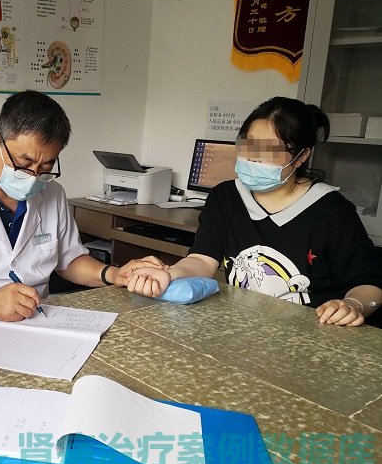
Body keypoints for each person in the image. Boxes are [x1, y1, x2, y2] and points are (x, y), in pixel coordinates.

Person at [0, 90, 160, 321]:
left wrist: (114, 274)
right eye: (24, 163)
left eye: (45, 167)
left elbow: (69, 259)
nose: (33, 177)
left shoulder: (52, 193)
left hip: (33, 322)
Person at [125, 97, 382, 327]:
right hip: (244, 329)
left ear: (302, 156)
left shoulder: (331, 209)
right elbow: (202, 260)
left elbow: (369, 284)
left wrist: (353, 305)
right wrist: (169, 274)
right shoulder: (225, 197)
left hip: (309, 336)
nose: (254, 159)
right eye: (249, 147)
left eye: (270, 151)